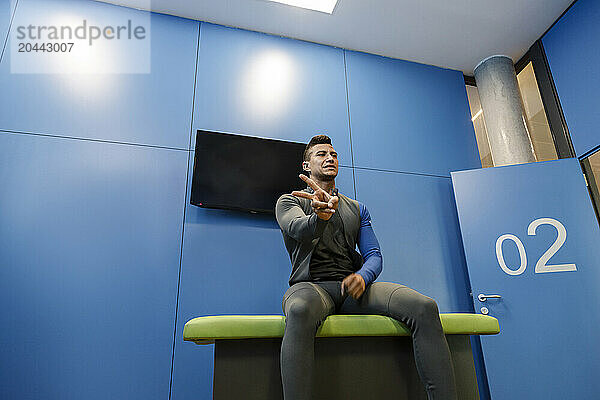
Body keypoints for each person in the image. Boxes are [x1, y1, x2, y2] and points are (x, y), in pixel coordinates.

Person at [275, 134, 457, 400]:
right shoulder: (289, 201)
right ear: (306, 166)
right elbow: (298, 228)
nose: (330, 158)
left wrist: (362, 276)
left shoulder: (357, 208)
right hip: (311, 288)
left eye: (333, 154)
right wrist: (319, 216)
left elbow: (374, 255)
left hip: (352, 289)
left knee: (425, 307)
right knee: (299, 310)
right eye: (321, 154)